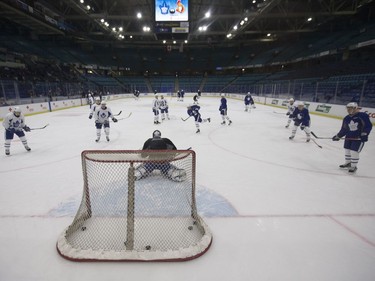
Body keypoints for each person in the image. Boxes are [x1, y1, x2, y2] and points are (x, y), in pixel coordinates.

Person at [332, 102, 372, 173]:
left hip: (358, 138)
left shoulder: (362, 115)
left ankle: (353, 166)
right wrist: (338, 136)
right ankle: (348, 163)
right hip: (349, 137)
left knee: (354, 152)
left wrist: (364, 134)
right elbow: (344, 129)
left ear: (355, 108)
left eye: (351, 108)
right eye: (348, 108)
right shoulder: (347, 118)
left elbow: (368, 125)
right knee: (347, 150)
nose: (349, 110)